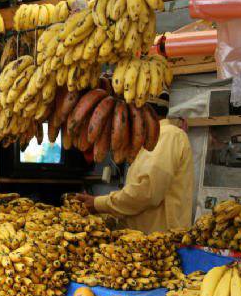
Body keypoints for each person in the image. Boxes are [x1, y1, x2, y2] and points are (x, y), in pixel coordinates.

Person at [75, 93, 193, 233]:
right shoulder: (146, 141)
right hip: (139, 241)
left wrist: (98, 203)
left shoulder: (169, 135)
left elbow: (146, 192)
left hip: (160, 244)